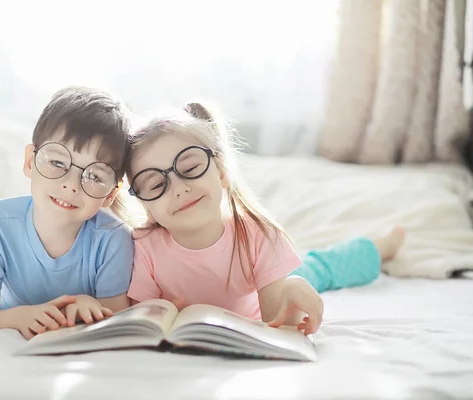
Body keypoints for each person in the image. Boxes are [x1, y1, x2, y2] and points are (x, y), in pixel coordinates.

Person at [125, 102, 405, 335]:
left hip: (269, 283)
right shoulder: (143, 248)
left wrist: (291, 299)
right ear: (145, 205)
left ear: (222, 171)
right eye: (155, 185)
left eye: (190, 168)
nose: (178, 188)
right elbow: (146, 325)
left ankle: (379, 247)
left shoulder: (259, 235)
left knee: (320, 269)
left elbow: (279, 326)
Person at [0, 87, 135, 339]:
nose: (71, 185)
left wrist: (85, 307)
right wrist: (19, 316)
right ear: (30, 161)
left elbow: (115, 317)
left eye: (94, 176)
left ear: (111, 194)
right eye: (58, 162)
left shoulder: (114, 239)